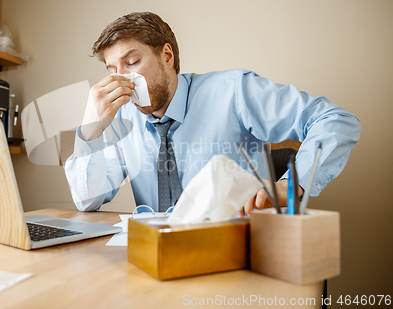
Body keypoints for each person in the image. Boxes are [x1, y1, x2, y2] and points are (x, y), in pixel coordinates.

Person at [65, 12, 361, 215]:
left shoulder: (234, 91)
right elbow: (86, 200)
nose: (121, 80)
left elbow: (335, 120)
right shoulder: (122, 119)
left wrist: (292, 185)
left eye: (131, 62)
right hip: (159, 258)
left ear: (166, 56)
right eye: (112, 70)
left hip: (237, 251)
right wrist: (90, 130)